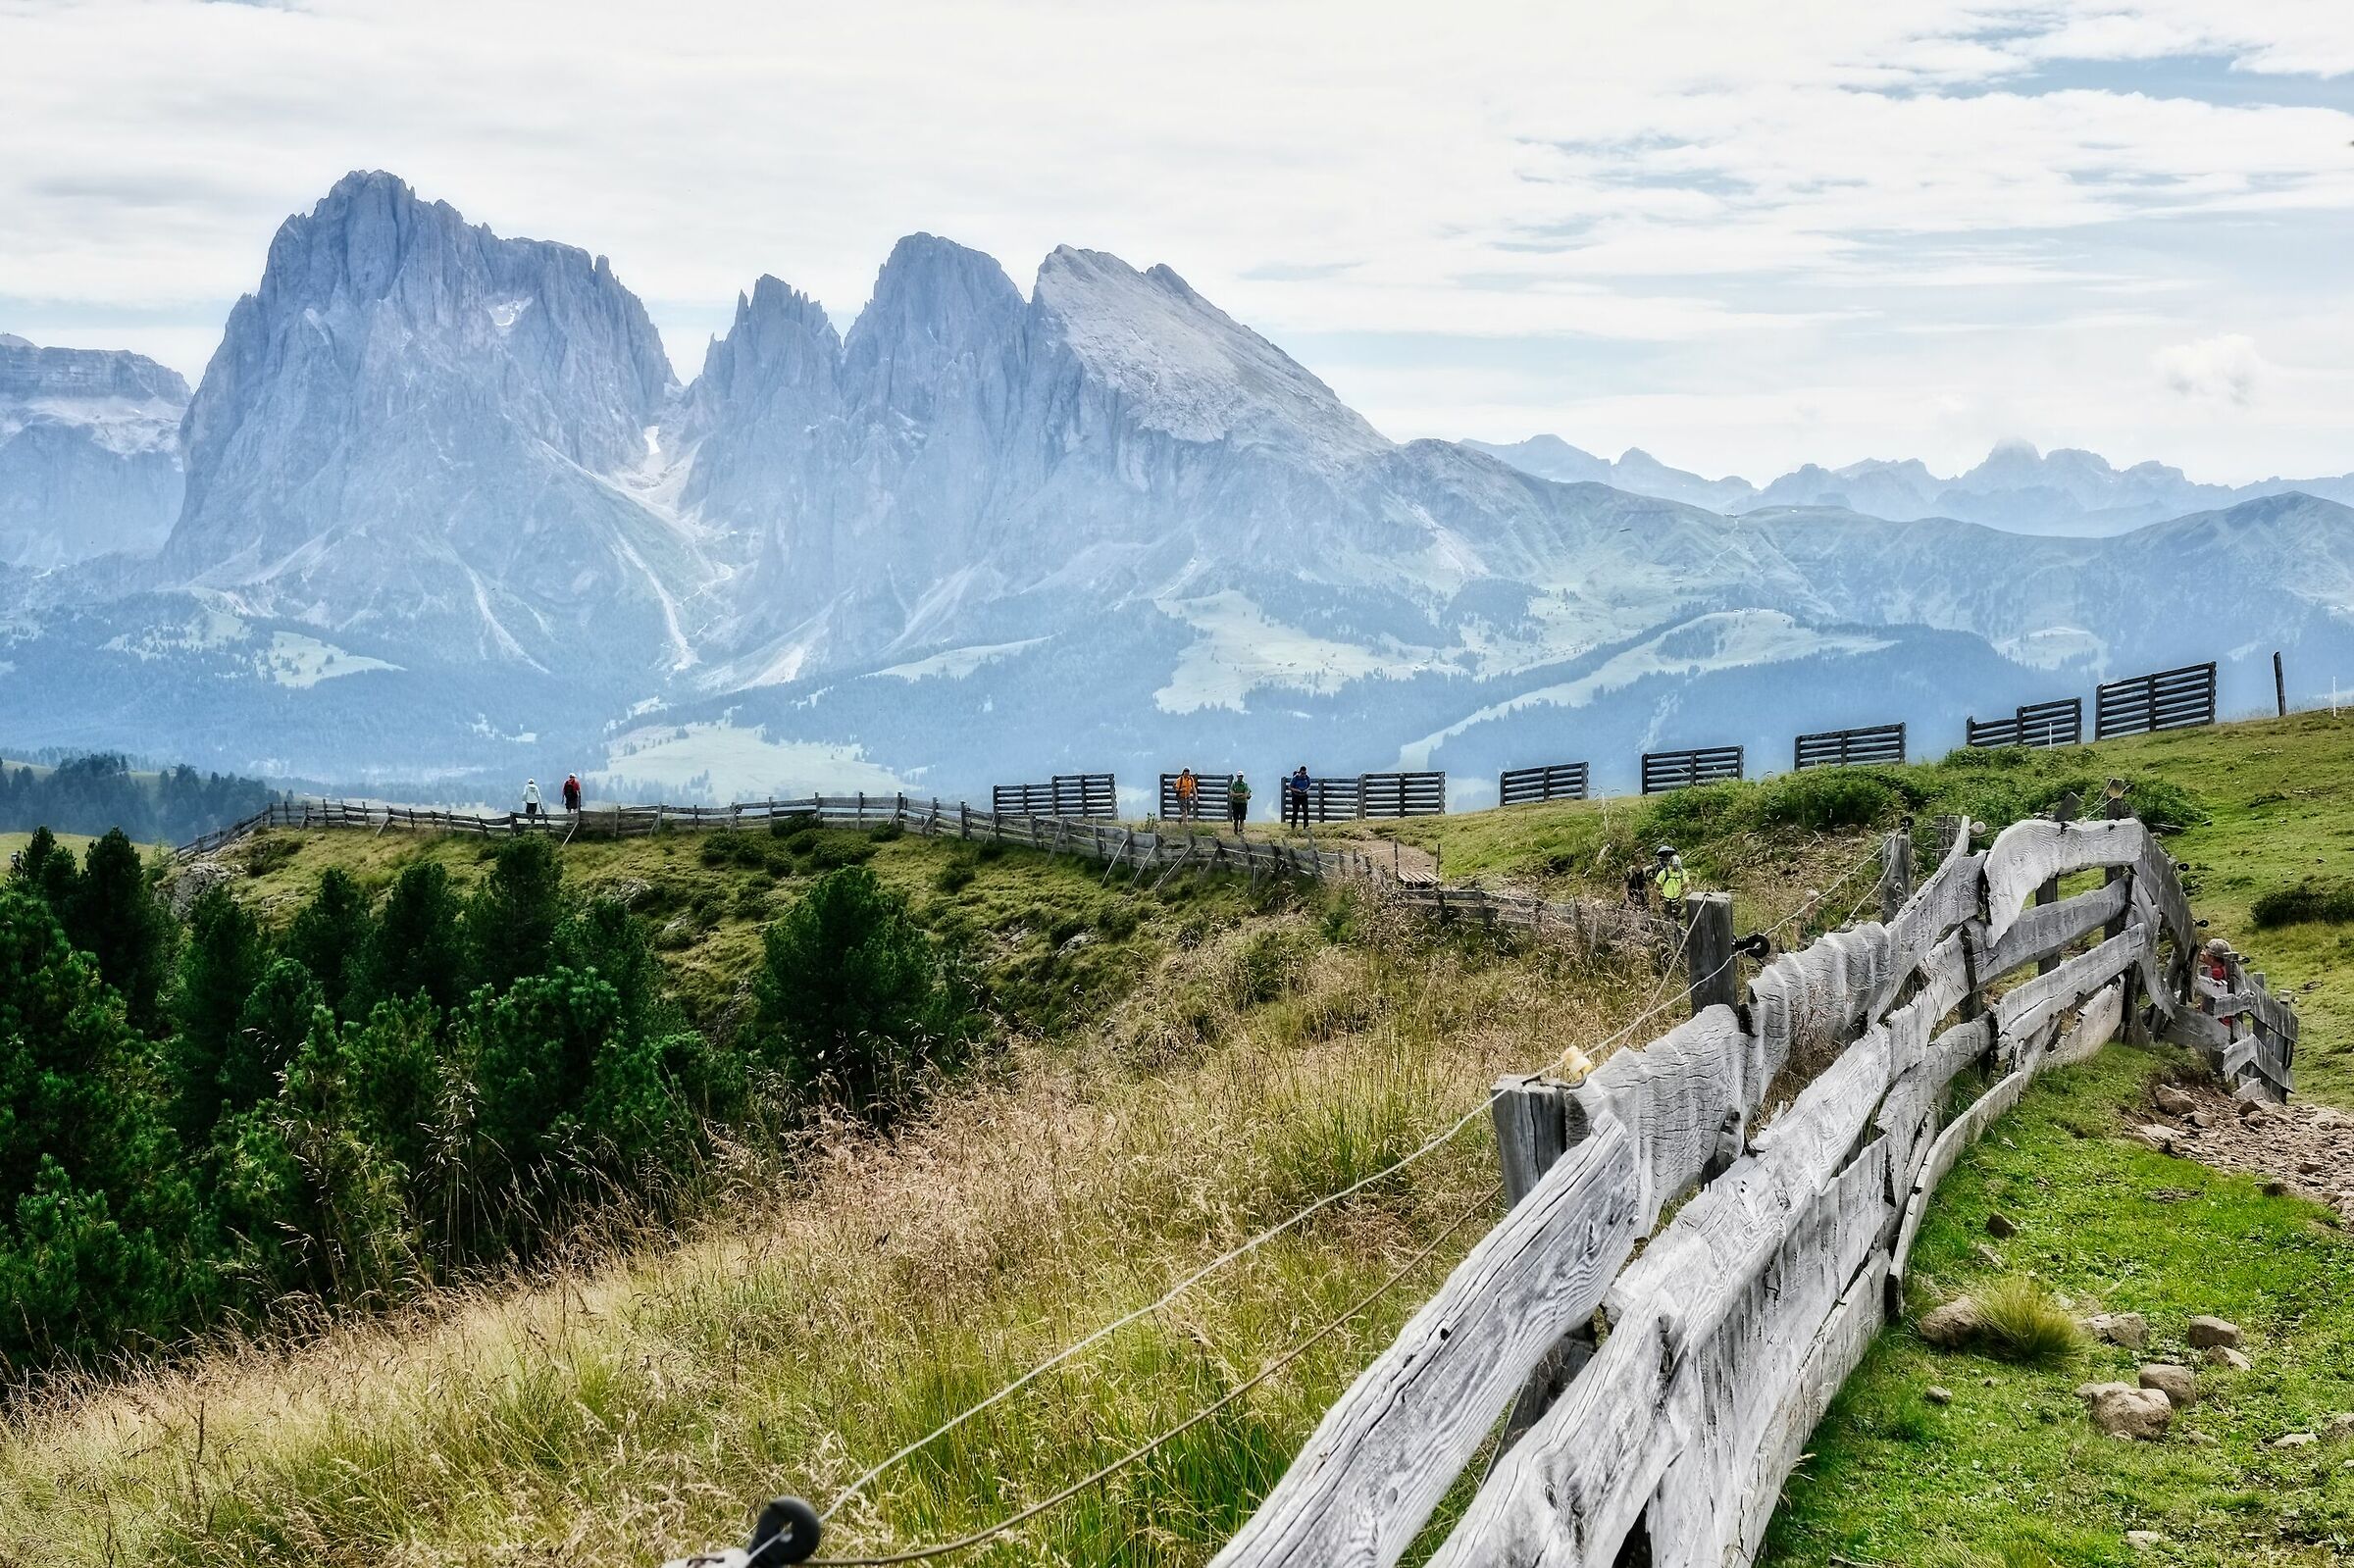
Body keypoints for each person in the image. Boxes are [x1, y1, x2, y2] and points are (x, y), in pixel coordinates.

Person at [1652, 843, 1688, 921]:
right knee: (1667, 918)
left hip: (1677, 900)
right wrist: (1657, 902)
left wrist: (1683, 898)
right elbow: (1656, 888)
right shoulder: (1662, 872)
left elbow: (1686, 886)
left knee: (1677, 918)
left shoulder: (1682, 873)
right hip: (1665, 899)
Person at [1286, 765, 1311, 831]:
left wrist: (1306, 790)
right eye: (1302, 773)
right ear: (1299, 772)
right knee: (1295, 812)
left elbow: (1309, 786)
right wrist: (1297, 790)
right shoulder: (1295, 778)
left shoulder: (1307, 778)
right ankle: (1293, 826)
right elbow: (1290, 787)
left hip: (1304, 796)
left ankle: (1306, 827)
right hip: (1296, 796)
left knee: (1306, 811)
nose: (1304, 775)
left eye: (1305, 773)